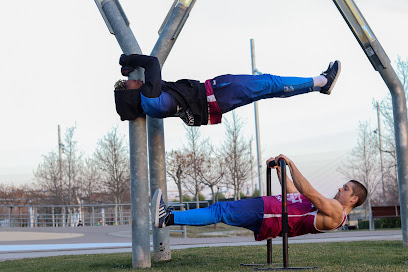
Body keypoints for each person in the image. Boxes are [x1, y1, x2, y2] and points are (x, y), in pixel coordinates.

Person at [151, 154, 367, 241]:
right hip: (270, 209)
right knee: (221, 209)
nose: (340, 189)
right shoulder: (330, 207)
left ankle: (167, 219)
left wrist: (291, 164)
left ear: (354, 199)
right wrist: (280, 170)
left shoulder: (337, 212)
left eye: (346, 189)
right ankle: (168, 217)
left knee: (220, 211)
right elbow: (294, 195)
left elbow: (307, 191)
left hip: (269, 215)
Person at [114, 54, 341, 126]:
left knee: (267, 87)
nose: (135, 79)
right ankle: (322, 80)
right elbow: (152, 63)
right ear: (130, 93)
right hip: (216, 95)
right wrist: (126, 58)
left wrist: (130, 67)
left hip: (214, 97)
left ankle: (316, 86)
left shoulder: (149, 104)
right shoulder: (149, 98)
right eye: (130, 82)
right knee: (268, 83)